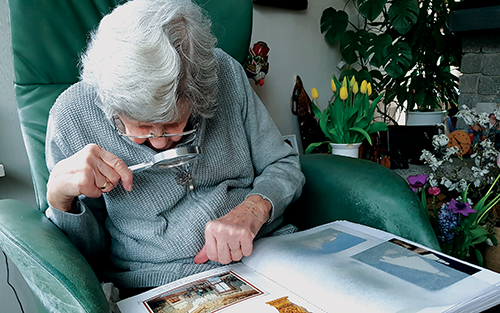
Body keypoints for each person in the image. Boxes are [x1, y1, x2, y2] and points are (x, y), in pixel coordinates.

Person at [45, 0, 305, 296]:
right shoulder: (72, 115)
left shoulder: (225, 74)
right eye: (140, 127)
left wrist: (254, 208)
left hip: (267, 253)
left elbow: (283, 164)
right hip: (159, 282)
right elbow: (84, 255)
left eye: (172, 125)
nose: (157, 142)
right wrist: (59, 197)